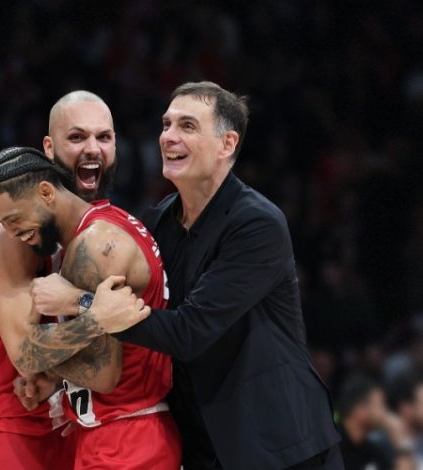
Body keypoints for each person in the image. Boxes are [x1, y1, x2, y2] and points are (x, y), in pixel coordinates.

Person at [29, 81, 343, 469]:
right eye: (166, 124)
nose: (169, 137)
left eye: (187, 126)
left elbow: (188, 332)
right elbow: (143, 333)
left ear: (227, 144)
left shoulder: (257, 224)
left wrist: (81, 302)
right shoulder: (158, 220)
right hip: (202, 444)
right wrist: (65, 382)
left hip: (279, 444)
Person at [0, 146, 181, 469]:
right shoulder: (106, 224)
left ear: (46, 192)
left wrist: (80, 330)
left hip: (127, 440)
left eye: (14, 219)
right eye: (2, 223)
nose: (12, 233)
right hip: (118, 435)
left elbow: (102, 375)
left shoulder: (94, 246)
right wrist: (56, 378)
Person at [0, 91, 118, 469]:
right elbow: (26, 356)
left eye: (103, 137)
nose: (92, 148)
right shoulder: (12, 234)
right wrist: (99, 315)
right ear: (49, 148)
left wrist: (59, 378)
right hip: (14, 429)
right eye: (77, 137)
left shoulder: (102, 228)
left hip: (77, 423)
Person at [336, 375, 414, 469]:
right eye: (380, 405)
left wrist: (401, 442)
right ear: (360, 409)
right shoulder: (331, 446)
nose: (385, 412)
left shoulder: (372, 451)